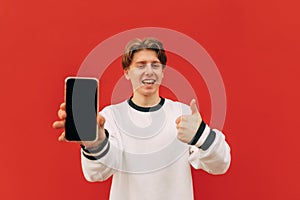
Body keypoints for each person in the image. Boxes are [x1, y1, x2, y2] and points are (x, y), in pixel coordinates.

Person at [53, 38, 231, 200]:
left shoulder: (182, 113)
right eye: (140, 65)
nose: (149, 72)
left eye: (155, 65)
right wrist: (95, 143)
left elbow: (220, 164)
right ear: (127, 73)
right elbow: (96, 174)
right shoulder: (110, 117)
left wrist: (201, 134)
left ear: (163, 72)